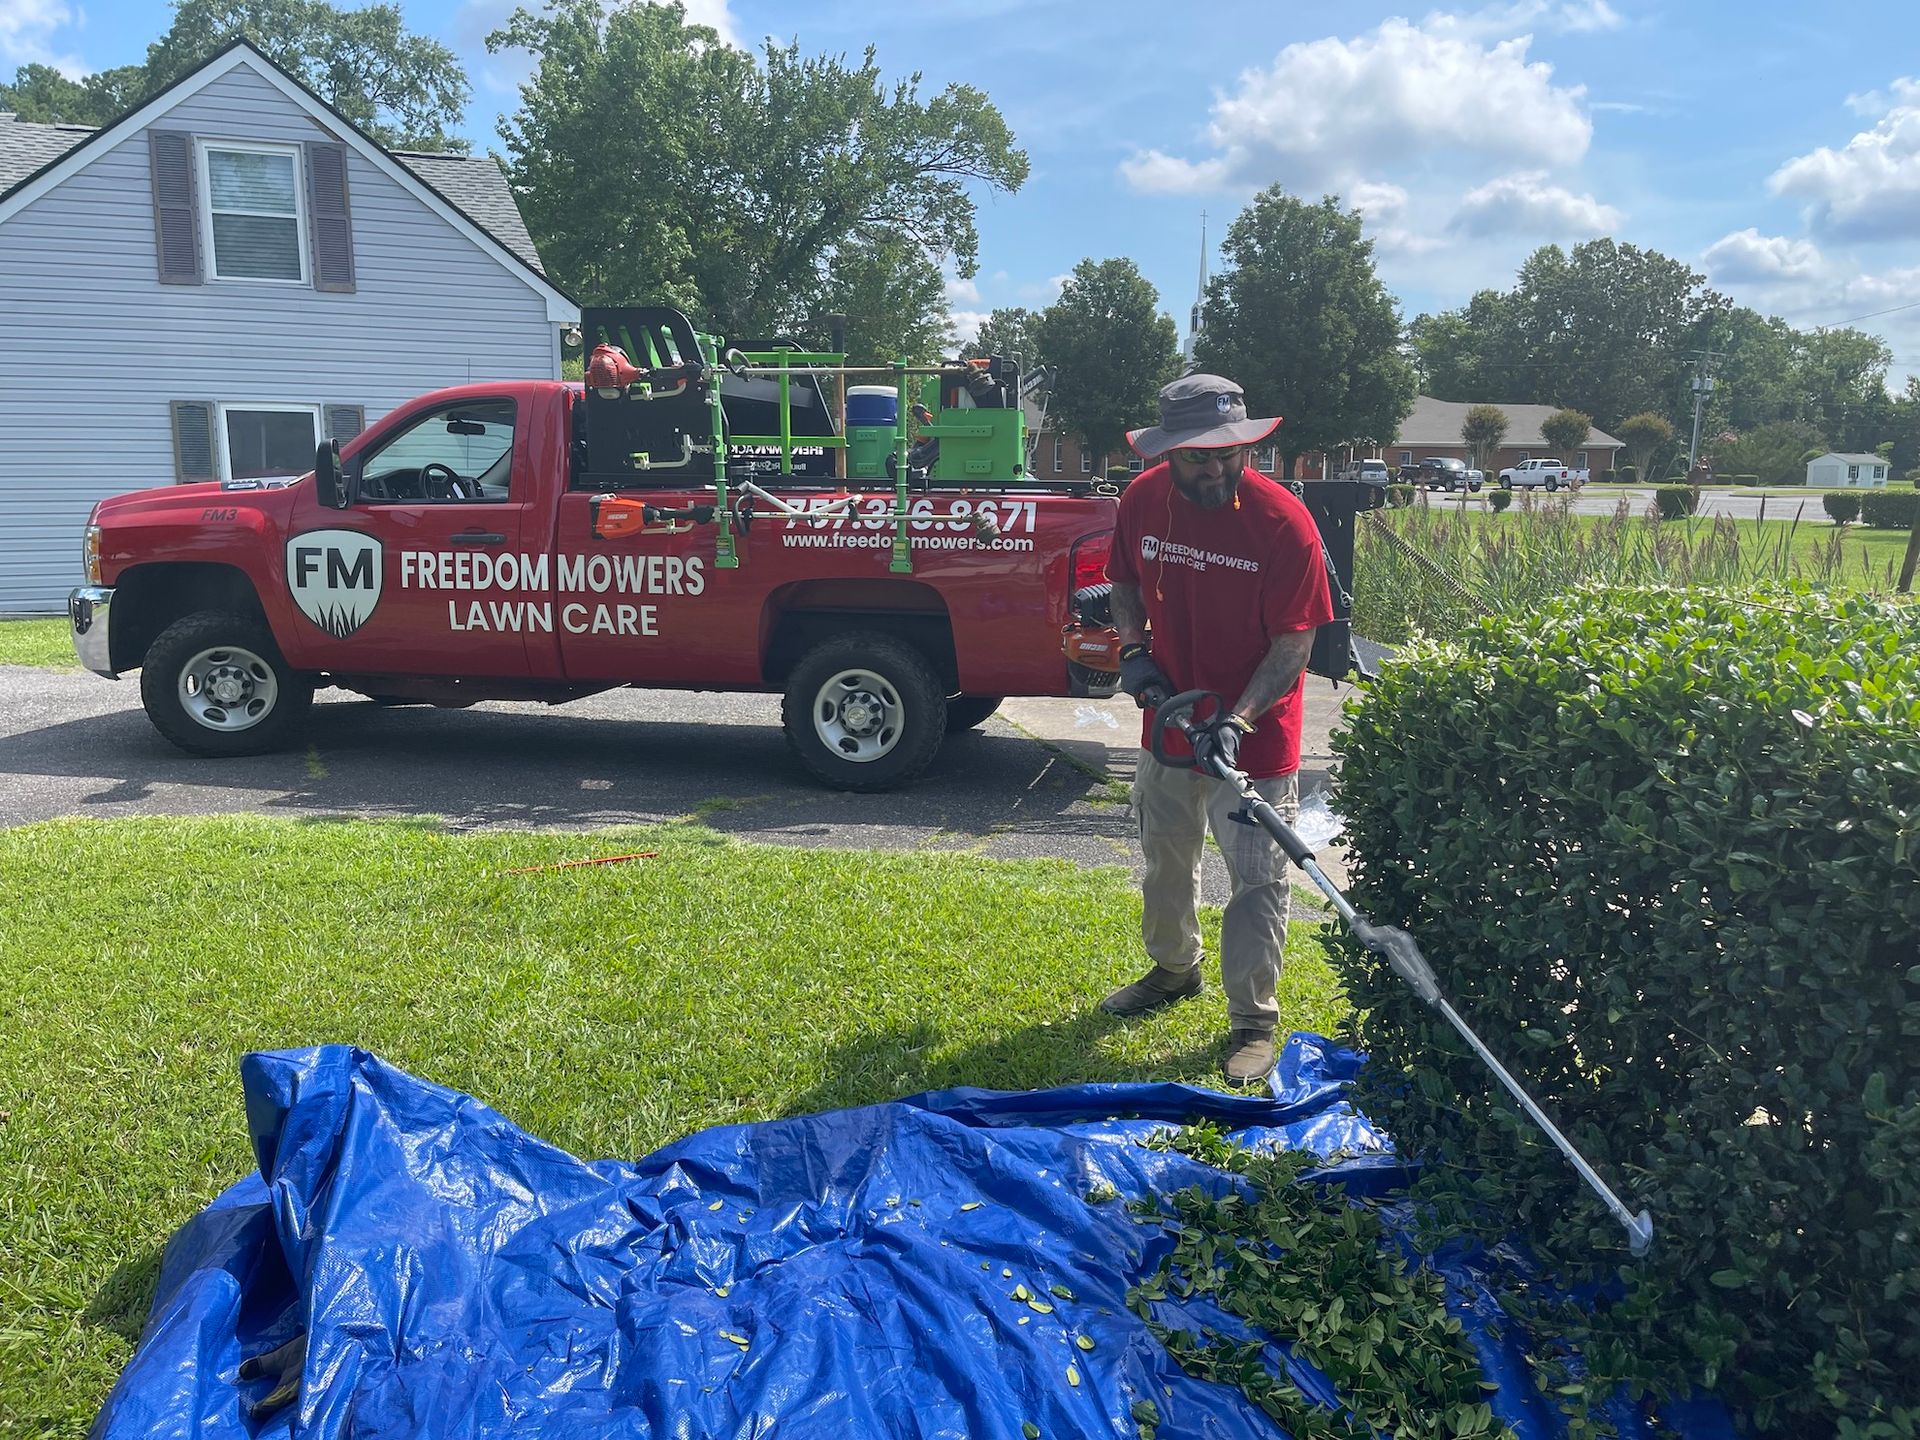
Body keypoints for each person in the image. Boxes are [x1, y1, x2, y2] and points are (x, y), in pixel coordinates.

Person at [1098, 374, 1333, 1085]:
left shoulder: (1283, 523)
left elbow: (1294, 644)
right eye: (1199, 457)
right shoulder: (1142, 500)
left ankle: (1253, 1020)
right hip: (1170, 720)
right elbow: (1123, 581)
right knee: (1166, 855)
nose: (1217, 468)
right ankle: (1175, 969)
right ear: (1169, 453)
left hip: (1253, 738)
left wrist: (1238, 720)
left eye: (1230, 454)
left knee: (1257, 877)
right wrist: (1134, 650)